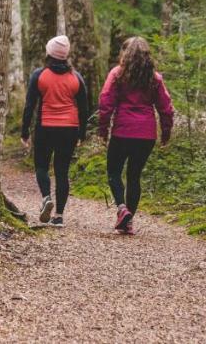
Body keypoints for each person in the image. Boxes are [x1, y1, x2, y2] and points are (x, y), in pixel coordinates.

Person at [97, 35, 175, 235]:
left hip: (122, 131)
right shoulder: (155, 79)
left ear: (125, 54)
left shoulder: (117, 74)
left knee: (114, 172)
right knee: (134, 176)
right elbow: (166, 108)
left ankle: (122, 209)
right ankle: (128, 221)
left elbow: (106, 102)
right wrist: (166, 132)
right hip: (146, 134)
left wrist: (103, 129)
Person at [21, 35, 89, 227]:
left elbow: (29, 106)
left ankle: (45, 198)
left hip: (45, 127)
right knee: (62, 171)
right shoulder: (76, 78)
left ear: (49, 53)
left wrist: (24, 132)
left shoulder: (39, 75)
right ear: (66, 56)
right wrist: (82, 134)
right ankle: (59, 216)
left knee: (41, 166)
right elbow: (84, 109)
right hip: (69, 129)